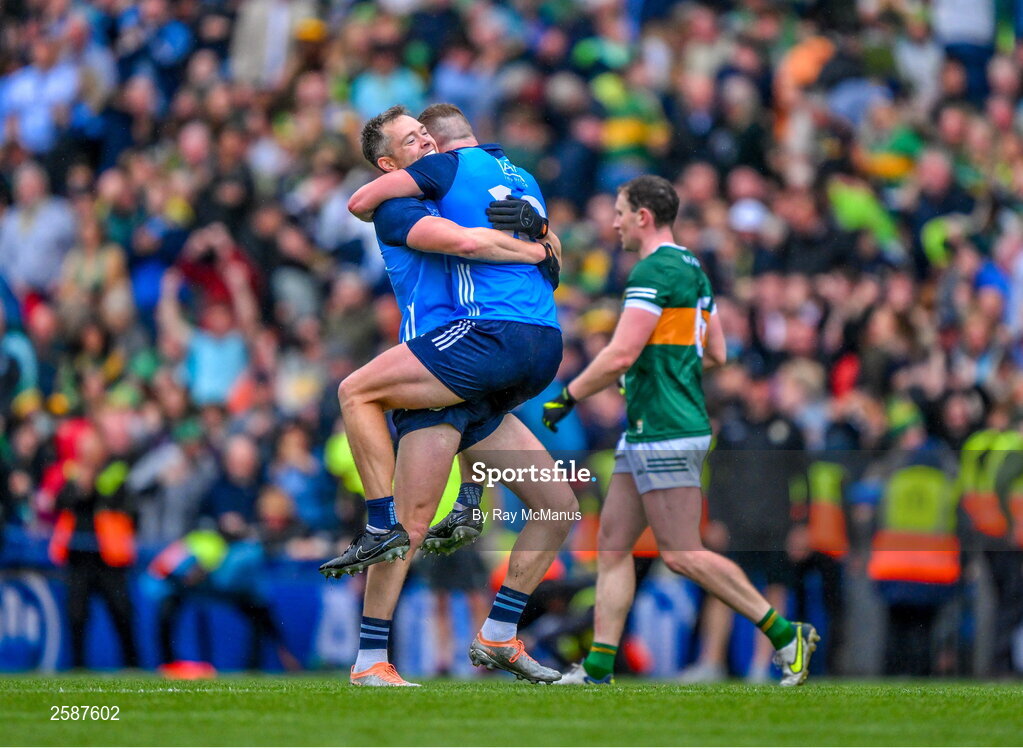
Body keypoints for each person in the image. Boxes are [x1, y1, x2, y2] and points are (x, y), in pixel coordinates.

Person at [318, 105, 576, 686]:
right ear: (390, 164)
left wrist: (542, 231)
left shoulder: (452, 184)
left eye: (426, 131)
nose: (427, 140)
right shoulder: (398, 206)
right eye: (413, 139)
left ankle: (500, 634)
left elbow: (527, 232)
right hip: (436, 368)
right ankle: (369, 659)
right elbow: (463, 243)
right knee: (406, 527)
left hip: (470, 367)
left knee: (558, 506)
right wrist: (535, 247)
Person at [543, 175, 819, 687]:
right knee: (613, 544)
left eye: (621, 212)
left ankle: (786, 635)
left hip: (666, 427)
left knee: (681, 553)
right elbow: (716, 352)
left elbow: (621, 352)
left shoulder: (654, 268)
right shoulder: (694, 266)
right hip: (654, 424)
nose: (614, 222)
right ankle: (599, 668)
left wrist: (569, 395)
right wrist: (661, 369)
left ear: (643, 217)